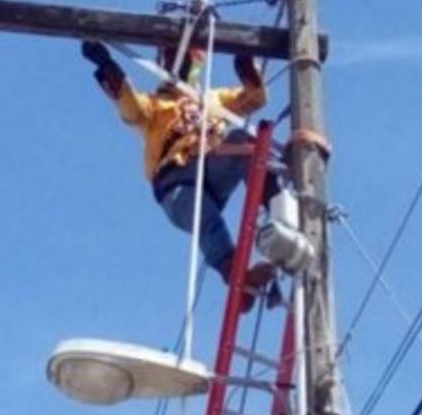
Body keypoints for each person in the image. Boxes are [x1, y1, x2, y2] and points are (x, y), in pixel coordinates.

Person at [82, 39, 279, 311]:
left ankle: (276, 207)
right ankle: (237, 278)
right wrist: (107, 66)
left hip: (210, 166)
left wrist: (246, 69)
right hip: (175, 182)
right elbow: (130, 107)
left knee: (243, 142)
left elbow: (254, 99)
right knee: (204, 216)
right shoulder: (155, 105)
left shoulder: (212, 99)